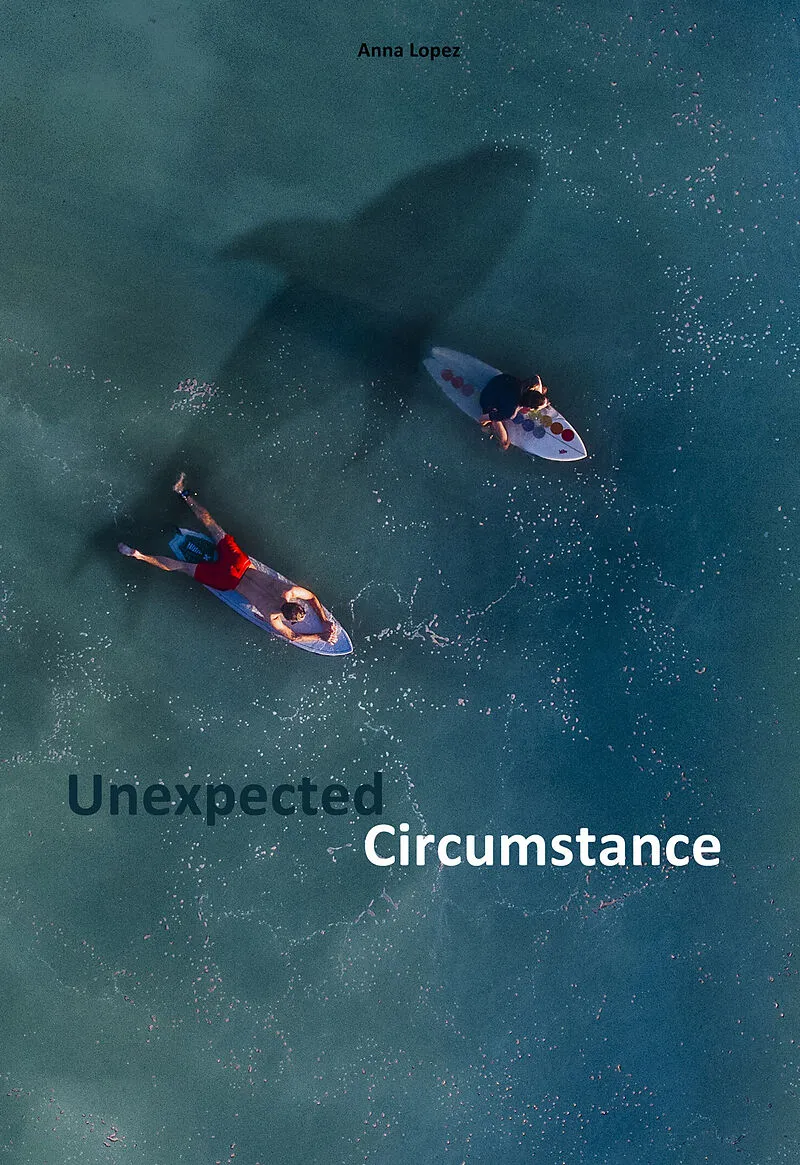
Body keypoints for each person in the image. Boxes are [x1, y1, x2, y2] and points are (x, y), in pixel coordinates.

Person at [118, 474, 336, 645]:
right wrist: (320, 636)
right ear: (288, 618)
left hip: (240, 563)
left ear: (294, 602)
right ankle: (139, 555)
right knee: (183, 567)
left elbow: (312, 598)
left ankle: (183, 493)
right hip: (229, 581)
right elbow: (294, 637)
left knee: (213, 527)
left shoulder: (290, 590)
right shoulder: (273, 617)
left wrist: (323, 619)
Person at [479, 373, 550, 451]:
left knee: (543, 389)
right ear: (529, 408)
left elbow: (537, 377)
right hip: (487, 399)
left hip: (500, 380)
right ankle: (501, 440)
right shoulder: (510, 413)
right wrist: (486, 423)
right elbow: (483, 418)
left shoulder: (526, 385)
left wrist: (540, 394)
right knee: (504, 443)